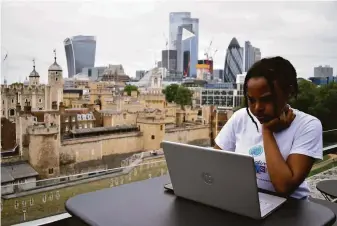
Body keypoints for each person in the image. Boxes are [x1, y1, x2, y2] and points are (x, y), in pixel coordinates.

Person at [214, 56, 323, 200]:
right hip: (245, 200)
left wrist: (267, 132)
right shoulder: (241, 117)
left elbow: (283, 187)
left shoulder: (308, 125)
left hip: (291, 210)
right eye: (251, 100)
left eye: (267, 99)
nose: (257, 108)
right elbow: (214, 162)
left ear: (288, 92)